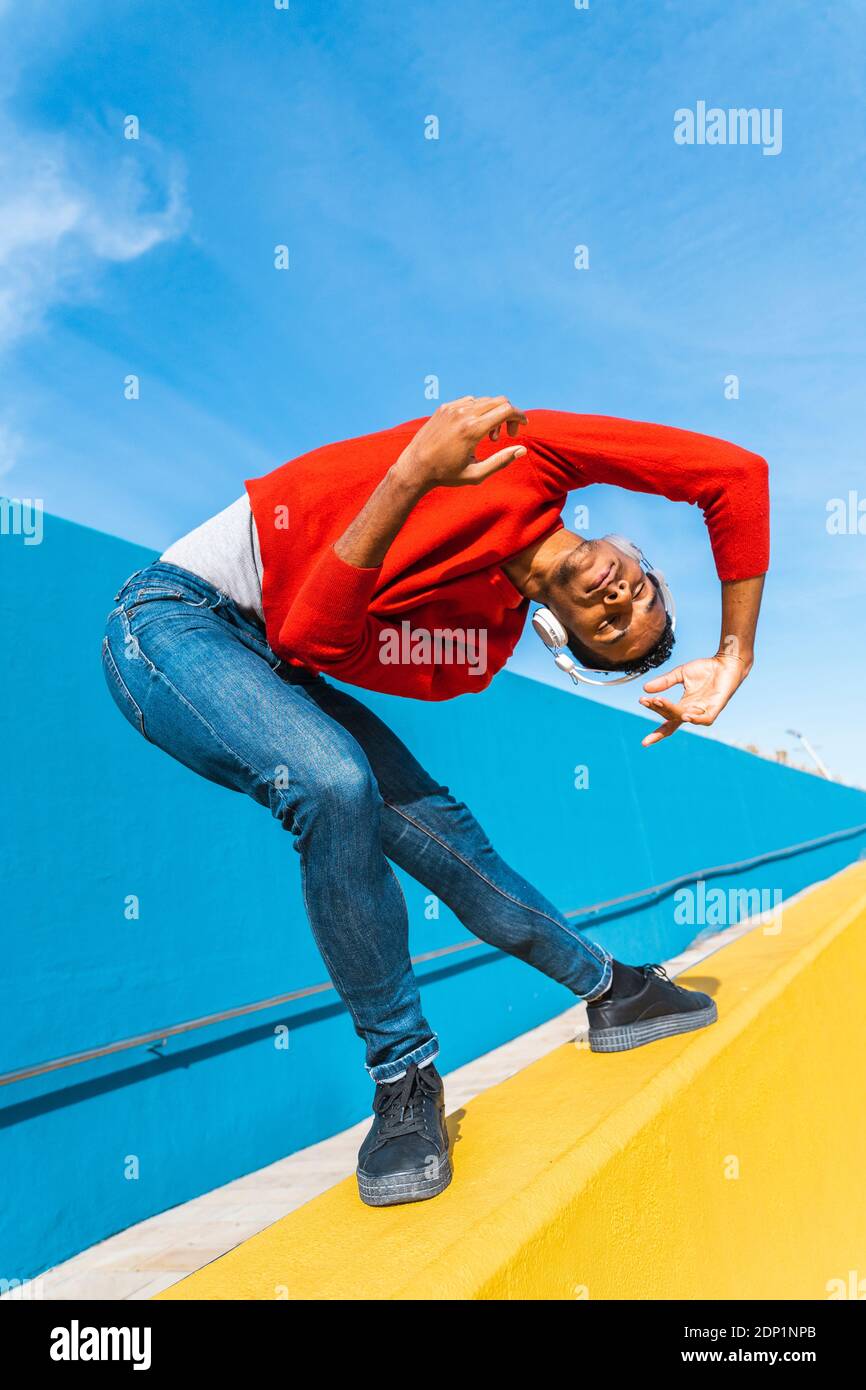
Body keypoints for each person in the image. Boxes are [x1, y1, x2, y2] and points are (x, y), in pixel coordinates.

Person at [101, 397, 769, 1206]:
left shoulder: (474, 648)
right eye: (644, 596)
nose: (621, 600)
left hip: (274, 660)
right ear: (635, 556)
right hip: (169, 619)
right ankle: (403, 1075)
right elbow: (734, 475)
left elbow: (312, 641)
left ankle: (615, 989)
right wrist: (734, 653)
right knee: (334, 781)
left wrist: (413, 473)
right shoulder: (526, 456)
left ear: (562, 638)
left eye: (612, 626)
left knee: (447, 839)